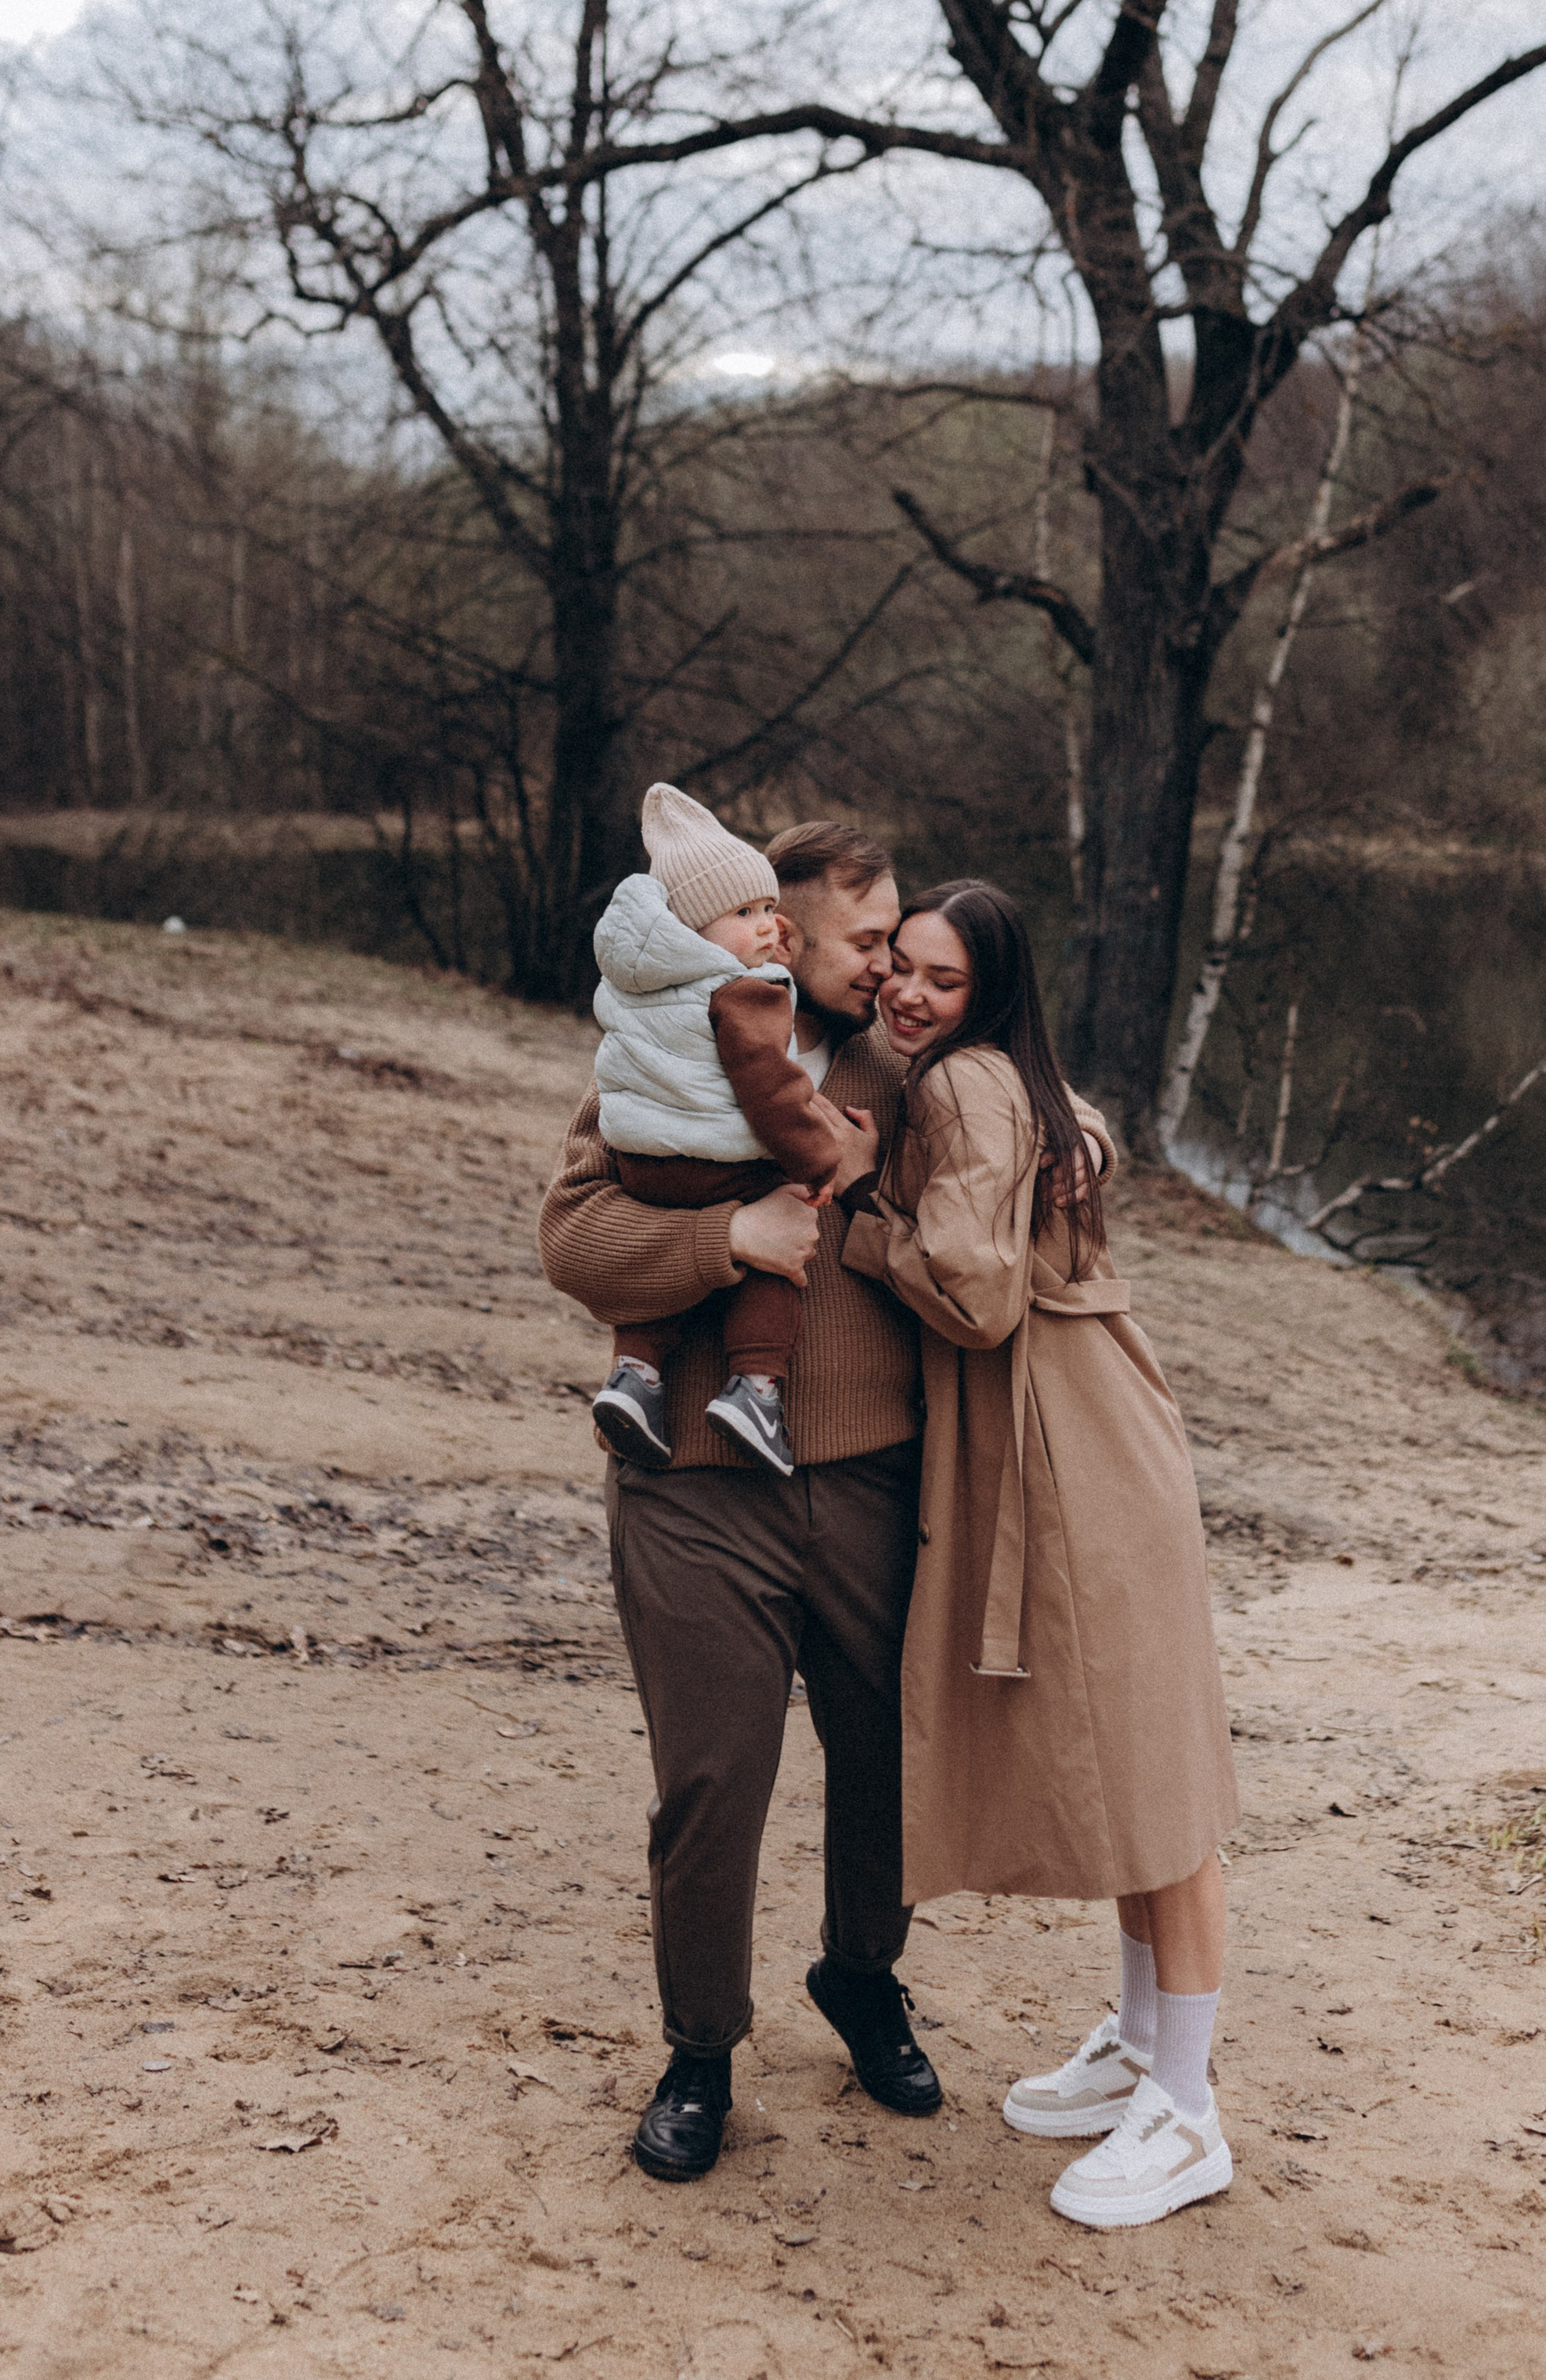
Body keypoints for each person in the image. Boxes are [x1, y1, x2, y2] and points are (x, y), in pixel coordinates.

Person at [538, 821, 943, 2183]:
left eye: (899, 942)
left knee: (884, 1755)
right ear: (780, 927)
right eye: (864, 944)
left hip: (875, 1477)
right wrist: (727, 1242)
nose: (887, 969)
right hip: (697, 1493)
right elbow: (574, 1238)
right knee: (711, 1782)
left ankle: (864, 1975)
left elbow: (1030, 1136)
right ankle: (701, 2051)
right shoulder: (669, 1036)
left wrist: (1087, 1155)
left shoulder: (909, 1064)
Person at [840, 879, 1241, 2233]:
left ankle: (1187, 2114)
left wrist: (865, 1222)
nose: (906, 992)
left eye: (939, 981)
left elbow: (976, 1290)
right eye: (898, 964)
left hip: (1075, 1453)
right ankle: (1141, 2045)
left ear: (987, 997)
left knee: (1160, 1789)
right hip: (1093, 1426)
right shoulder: (1006, 1081)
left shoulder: (962, 1087)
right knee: (1139, 1771)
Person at [589, 783, 844, 1479]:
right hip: (719, 1158)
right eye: (745, 912)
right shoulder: (744, 989)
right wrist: (820, 1158)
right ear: (694, 925)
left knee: (668, 1243)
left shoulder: (638, 983)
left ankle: (635, 1374)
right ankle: (755, 1389)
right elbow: (770, 1087)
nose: (769, 928)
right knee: (779, 1237)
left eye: (770, 908)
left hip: (641, 1158)